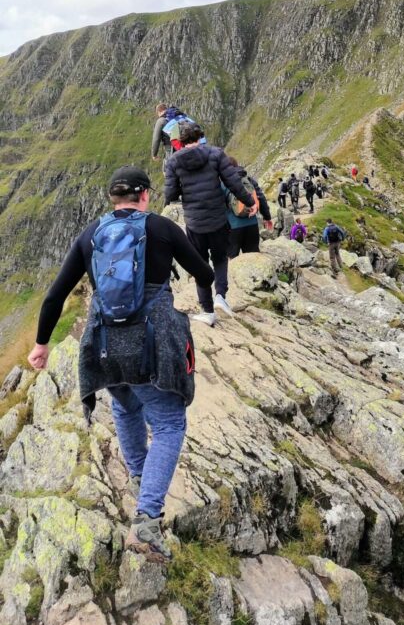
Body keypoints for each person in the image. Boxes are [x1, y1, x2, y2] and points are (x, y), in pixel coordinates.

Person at [28, 165, 214, 562]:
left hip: (105, 345)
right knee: (168, 424)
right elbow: (204, 272)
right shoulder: (162, 228)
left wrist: (41, 345)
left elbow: (54, 295)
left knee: (126, 408)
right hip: (153, 344)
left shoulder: (91, 235)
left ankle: (140, 481)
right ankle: (147, 523)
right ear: (145, 194)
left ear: (114, 198)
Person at [164, 123, 256, 323]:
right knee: (220, 259)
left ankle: (207, 311)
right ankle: (220, 296)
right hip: (218, 220)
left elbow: (170, 195)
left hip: (195, 223)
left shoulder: (173, 162)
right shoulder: (216, 154)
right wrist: (250, 203)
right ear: (200, 136)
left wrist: (184, 187)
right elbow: (234, 184)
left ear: (179, 141)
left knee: (200, 264)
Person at [225, 157, 273, 257]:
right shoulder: (249, 180)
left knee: (232, 261)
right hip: (252, 223)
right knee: (253, 257)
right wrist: (267, 217)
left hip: (233, 228)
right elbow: (261, 198)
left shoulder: (223, 182)